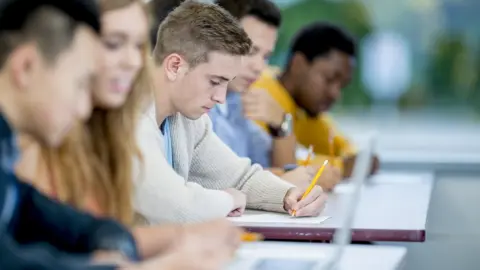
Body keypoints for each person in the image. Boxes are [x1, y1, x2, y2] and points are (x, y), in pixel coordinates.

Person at [15, 0, 243, 265]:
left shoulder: (109, 130)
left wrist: (183, 239)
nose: (134, 61)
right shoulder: (34, 138)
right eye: (113, 43)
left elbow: (93, 236)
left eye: (139, 46)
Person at [134, 0, 327, 224]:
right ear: (175, 66)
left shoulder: (187, 119)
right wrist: (227, 199)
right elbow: (175, 206)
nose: (221, 97)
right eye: (214, 81)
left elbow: (240, 178)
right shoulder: (131, 116)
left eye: (226, 83)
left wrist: (288, 195)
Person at [0, 0, 141, 268]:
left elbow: (83, 228)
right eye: (79, 84)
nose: (84, 109)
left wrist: (114, 250)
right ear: (26, 66)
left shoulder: (7, 161)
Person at [208, 0, 342, 190]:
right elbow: (214, 182)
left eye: (265, 56)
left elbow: (273, 166)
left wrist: (281, 123)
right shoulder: (197, 106)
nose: (259, 67)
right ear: (214, 40)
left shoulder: (237, 101)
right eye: (250, 50)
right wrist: (301, 177)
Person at [251, 22, 380, 179]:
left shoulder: (304, 109)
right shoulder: (259, 92)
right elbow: (274, 166)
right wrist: (344, 167)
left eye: (342, 85)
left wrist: (359, 162)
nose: (335, 93)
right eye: (329, 79)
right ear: (298, 64)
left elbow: (345, 149)